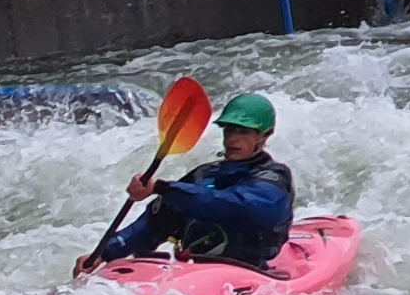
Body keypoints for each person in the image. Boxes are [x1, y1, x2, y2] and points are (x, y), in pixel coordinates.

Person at [79, 93, 296, 275]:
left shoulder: (274, 179)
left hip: (250, 272)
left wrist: (162, 188)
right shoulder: (204, 175)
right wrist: (105, 252)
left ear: (265, 135)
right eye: (229, 130)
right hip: (195, 272)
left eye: (243, 132)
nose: (232, 139)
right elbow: (155, 223)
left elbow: (233, 206)